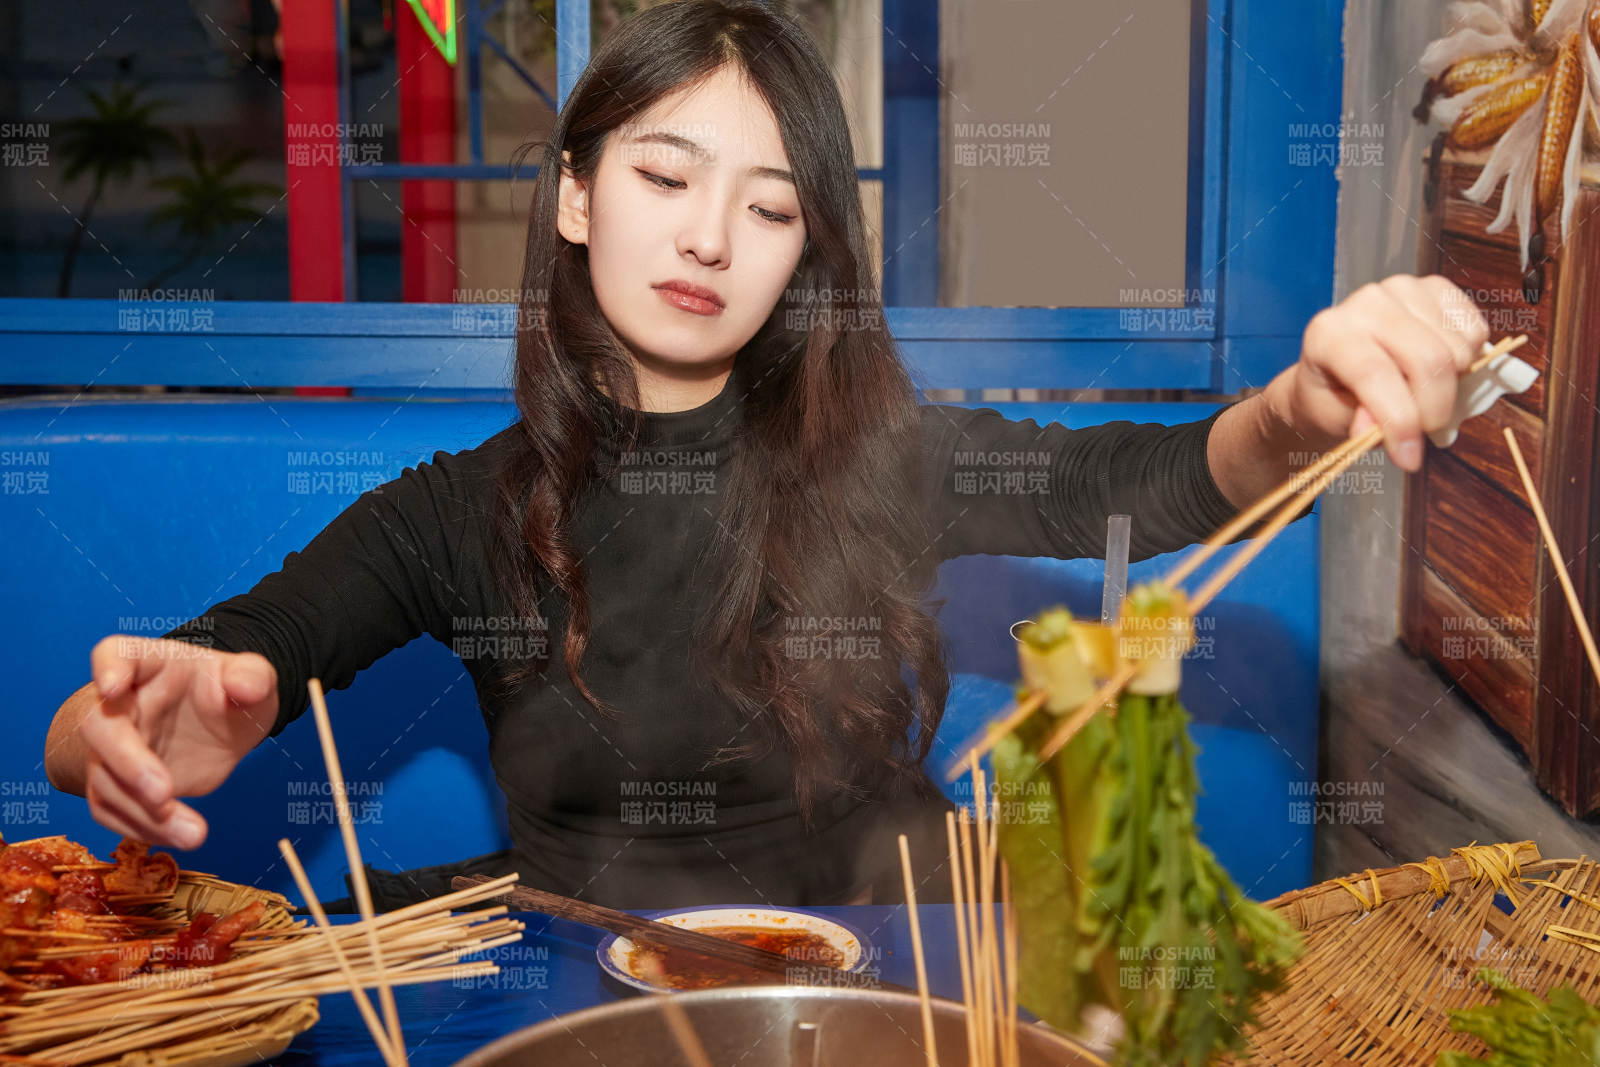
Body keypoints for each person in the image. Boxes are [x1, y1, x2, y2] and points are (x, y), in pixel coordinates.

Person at [44, 0, 1487, 908]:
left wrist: (1305, 401)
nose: (710, 236)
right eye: (665, 176)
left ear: (805, 253)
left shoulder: (880, 459)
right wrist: (114, 729)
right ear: (574, 198)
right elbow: (195, 673)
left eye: (773, 205)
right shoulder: (458, 514)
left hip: (892, 962)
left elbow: (1139, 484)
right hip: (581, 960)